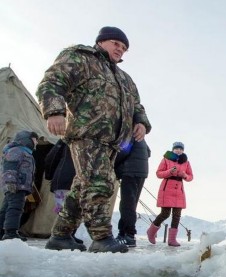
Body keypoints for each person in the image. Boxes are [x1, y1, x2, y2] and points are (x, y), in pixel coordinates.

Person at [36, 26, 152, 253]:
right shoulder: (81, 58)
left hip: (112, 142)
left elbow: (137, 105)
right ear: (101, 42)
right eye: (116, 44)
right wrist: (54, 111)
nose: (121, 50)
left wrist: (141, 122)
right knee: (100, 184)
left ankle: (61, 236)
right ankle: (102, 238)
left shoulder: (124, 78)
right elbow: (52, 82)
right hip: (86, 133)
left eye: (124, 48)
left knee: (81, 189)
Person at [146, 141, 193, 247]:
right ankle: (151, 232)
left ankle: (172, 240)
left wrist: (185, 175)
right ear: (173, 149)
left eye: (181, 149)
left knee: (177, 215)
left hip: (179, 190)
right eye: (177, 148)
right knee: (165, 214)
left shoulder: (186, 162)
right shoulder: (166, 159)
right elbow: (158, 173)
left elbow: (190, 177)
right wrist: (169, 171)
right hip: (167, 189)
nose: (179, 150)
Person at [43, 138, 86, 250]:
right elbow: (51, 158)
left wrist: (50, 175)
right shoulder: (68, 140)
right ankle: (61, 236)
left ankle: (68, 235)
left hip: (63, 180)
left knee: (69, 208)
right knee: (71, 208)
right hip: (70, 178)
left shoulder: (65, 140)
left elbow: (50, 158)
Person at [0, 130, 39, 241]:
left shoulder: (25, 152)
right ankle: (11, 233)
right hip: (16, 185)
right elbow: (10, 167)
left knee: (6, 208)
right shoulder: (16, 151)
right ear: (26, 139)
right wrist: (10, 182)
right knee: (15, 208)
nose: (36, 142)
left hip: (20, 185)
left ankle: (1, 231)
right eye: (34, 140)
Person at [114, 138, 151, 247]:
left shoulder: (129, 135)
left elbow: (122, 152)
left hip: (130, 172)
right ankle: (122, 233)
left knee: (127, 205)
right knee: (130, 204)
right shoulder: (142, 138)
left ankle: (129, 236)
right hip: (140, 173)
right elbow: (148, 152)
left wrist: (113, 165)